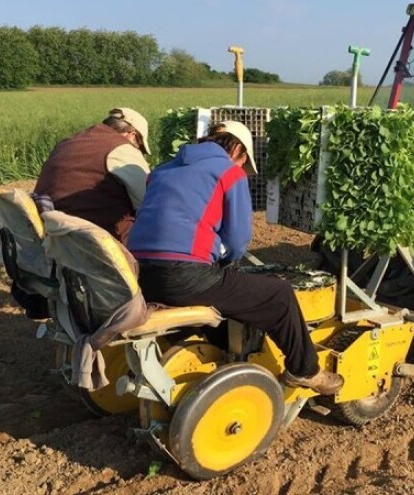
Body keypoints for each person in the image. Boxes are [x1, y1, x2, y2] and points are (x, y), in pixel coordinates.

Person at [127, 121, 344, 395]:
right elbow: (238, 239)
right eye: (244, 162)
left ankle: (215, 350)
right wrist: (228, 258)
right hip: (183, 275)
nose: (242, 168)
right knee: (278, 295)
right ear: (238, 149)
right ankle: (305, 370)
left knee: (225, 289)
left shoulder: (161, 171)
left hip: (140, 274)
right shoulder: (229, 172)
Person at [34, 107, 151, 244]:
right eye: (140, 147)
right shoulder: (122, 148)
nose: (138, 152)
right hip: (95, 241)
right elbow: (147, 202)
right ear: (132, 135)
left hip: (50, 233)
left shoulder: (67, 142)